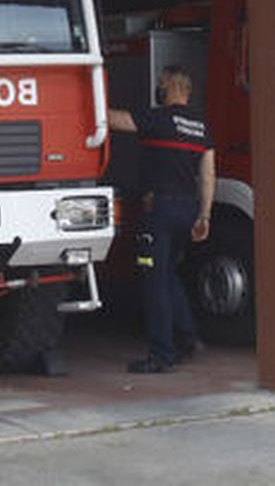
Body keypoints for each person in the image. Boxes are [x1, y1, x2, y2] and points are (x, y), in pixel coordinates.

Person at [108, 65, 215, 374]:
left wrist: (89, 97)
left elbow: (115, 120)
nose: (159, 87)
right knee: (169, 275)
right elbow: (208, 175)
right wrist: (204, 215)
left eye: (161, 83)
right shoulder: (202, 128)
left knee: (154, 281)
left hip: (159, 212)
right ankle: (188, 338)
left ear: (170, 86)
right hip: (188, 211)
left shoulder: (158, 119)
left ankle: (161, 354)